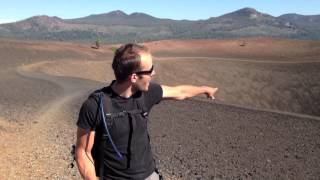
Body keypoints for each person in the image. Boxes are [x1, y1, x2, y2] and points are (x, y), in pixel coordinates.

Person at [75, 43, 218, 180]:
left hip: (149, 175)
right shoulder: (95, 106)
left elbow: (180, 92)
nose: (153, 73)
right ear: (134, 77)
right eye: (150, 70)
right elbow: (83, 152)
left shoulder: (147, 93)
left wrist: (204, 89)